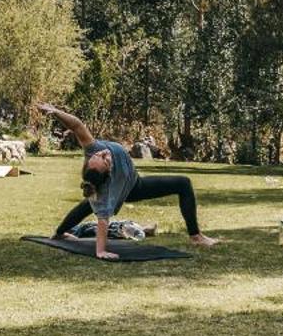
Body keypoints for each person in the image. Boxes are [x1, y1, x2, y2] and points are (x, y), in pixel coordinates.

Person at [39, 102, 220, 259]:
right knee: (93, 204)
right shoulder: (106, 192)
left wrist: (55, 112)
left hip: (134, 185)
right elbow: (103, 221)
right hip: (120, 192)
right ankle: (59, 233)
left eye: (99, 154)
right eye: (105, 159)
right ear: (109, 171)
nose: (105, 153)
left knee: (183, 183)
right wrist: (100, 251)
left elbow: (77, 125)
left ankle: (196, 236)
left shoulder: (91, 148)